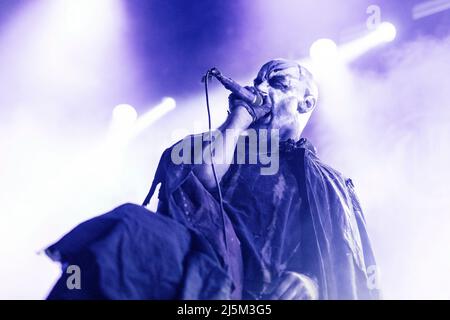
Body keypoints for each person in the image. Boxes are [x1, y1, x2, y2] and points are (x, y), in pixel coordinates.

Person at [46, 59, 380, 300]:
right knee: (126, 228)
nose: (259, 88)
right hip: (207, 262)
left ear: (306, 103)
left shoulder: (329, 183)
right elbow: (203, 179)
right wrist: (235, 122)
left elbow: (345, 263)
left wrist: (312, 283)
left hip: (262, 292)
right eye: (259, 80)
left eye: (276, 84)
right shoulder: (228, 142)